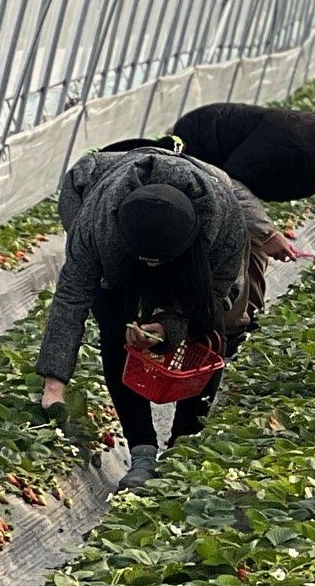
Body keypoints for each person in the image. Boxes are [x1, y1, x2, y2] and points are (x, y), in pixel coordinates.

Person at [35, 144, 284, 481]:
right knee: (115, 324)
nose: (151, 267)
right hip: (95, 194)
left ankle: (183, 447)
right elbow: (72, 294)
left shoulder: (223, 223)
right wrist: (54, 383)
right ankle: (142, 453)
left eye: (158, 262)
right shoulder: (97, 222)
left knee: (211, 329)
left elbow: (215, 295)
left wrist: (169, 326)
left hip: (197, 241)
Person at [170, 101, 315, 215]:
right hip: (199, 148)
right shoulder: (293, 143)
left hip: (230, 174)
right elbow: (231, 184)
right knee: (241, 249)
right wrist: (267, 235)